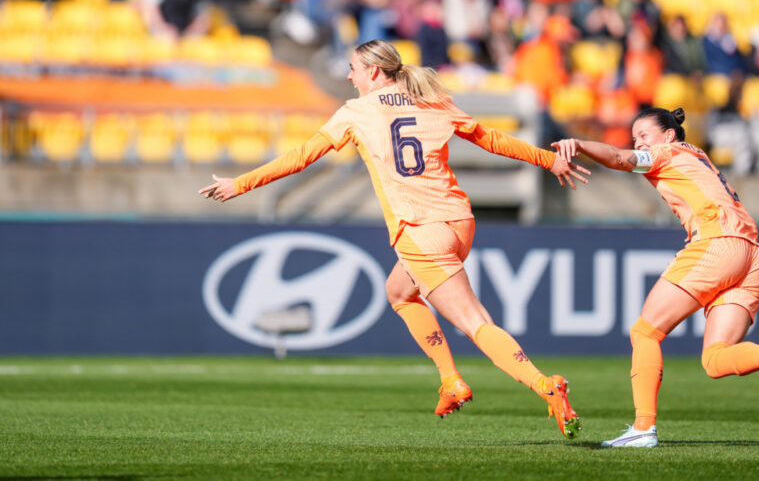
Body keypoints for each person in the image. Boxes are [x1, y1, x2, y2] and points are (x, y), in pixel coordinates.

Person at [199, 40, 588, 438]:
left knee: (475, 322)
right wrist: (548, 158)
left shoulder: (357, 112)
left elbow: (301, 156)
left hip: (420, 231)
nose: (349, 76)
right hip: (458, 222)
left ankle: (545, 385)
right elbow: (491, 138)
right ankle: (450, 380)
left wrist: (241, 183)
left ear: (371, 71)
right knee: (399, 292)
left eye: (352, 68)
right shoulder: (430, 99)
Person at [551, 107, 759, 448]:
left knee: (645, 331)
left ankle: (643, 428)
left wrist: (578, 143)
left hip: (718, 243)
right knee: (715, 359)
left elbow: (617, 157)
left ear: (669, 135)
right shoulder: (697, 155)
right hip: (753, 255)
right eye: (635, 137)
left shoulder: (666, 152)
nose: (638, 142)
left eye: (644, 135)